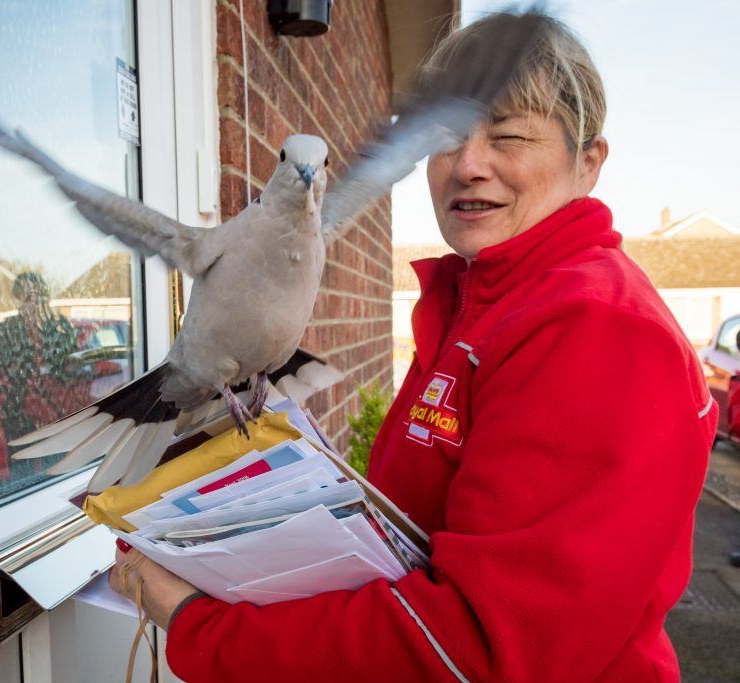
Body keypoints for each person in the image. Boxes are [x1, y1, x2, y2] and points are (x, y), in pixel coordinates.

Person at [108, 13, 717, 682]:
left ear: (589, 161)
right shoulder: (481, 306)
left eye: (509, 136)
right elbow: (420, 544)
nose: (468, 165)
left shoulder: (596, 328)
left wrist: (203, 624)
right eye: (446, 139)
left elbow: (479, 650)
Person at [0, 271, 82, 444]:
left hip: (58, 418)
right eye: (29, 298)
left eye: (41, 297)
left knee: (61, 464)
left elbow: (76, 367)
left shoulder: (60, 329)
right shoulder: (3, 334)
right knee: (24, 463)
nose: (36, 304)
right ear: (18, 300)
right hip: (17, 420)